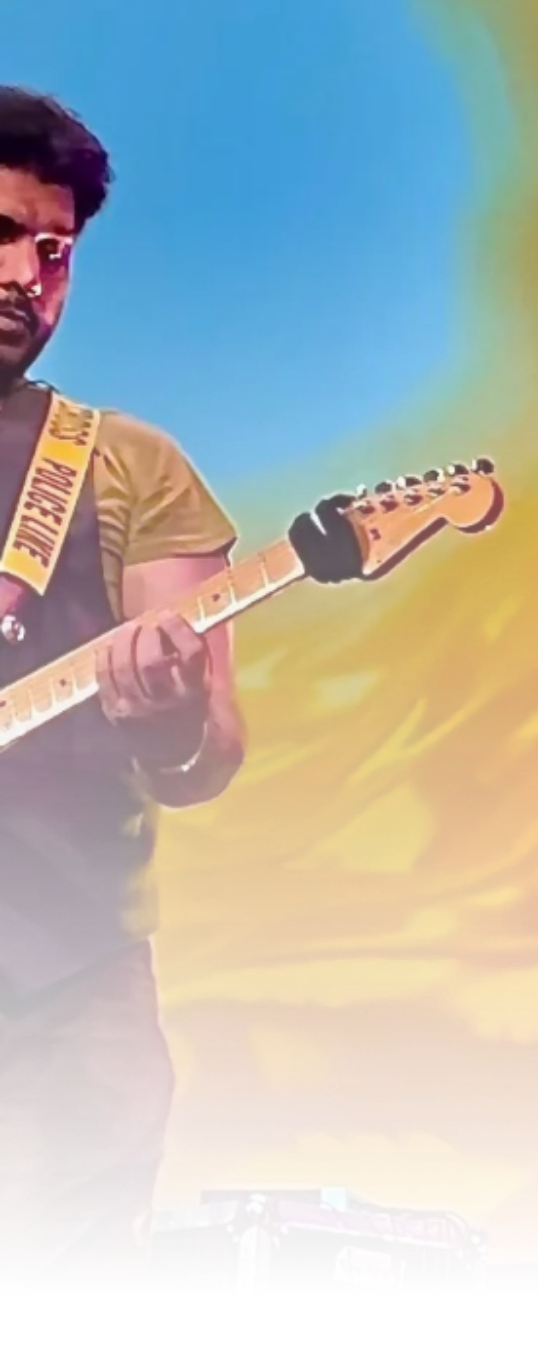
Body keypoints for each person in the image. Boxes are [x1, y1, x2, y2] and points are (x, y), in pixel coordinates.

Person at [0, 87, 246, 1292]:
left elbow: (207, 755)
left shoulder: (123, 466)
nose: (26, 276)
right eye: (2, 234)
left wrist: (172, 713)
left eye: (54, 250)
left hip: (56, 1013)